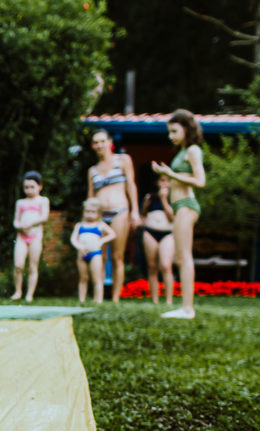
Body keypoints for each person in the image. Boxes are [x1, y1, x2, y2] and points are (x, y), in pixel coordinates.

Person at [152, 109, 206, 319]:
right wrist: (166, 173)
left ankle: (187, 308)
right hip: (178, 207)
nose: (170, 136)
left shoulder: (193, 150)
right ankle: (185, 307)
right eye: (169, 132)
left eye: (174, 131)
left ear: (186, 129)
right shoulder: (183, 151)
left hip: (186, 205)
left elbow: (200, 181)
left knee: (184, 257)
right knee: (180, 257)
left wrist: (170, 174)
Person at [87, 128, 141, 301]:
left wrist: (135, 211)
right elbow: (90, 197)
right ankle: (100, 295)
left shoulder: (123, 160)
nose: (99, 145)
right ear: (93, 146)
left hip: (120, 211)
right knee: (100, 256)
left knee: (117, 256)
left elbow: (131, 185)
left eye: (102, 141)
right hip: (99, 216)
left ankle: (116, 297)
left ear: (110, 143)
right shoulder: (92, 170)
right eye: (96, 142)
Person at [10, 171, 50, 302]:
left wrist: (31, 224)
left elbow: (44, 217)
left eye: (32, 187)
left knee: (33, 266)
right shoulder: (20, 203)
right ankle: (18, 291)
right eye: (26, 187)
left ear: (40, 186)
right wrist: (20, 226)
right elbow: (15, 221)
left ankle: (29, 295)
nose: (29, 190)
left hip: (35, 236)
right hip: (22, 236)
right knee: (18, 265)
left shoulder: (43, 201)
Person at [70, 198, 116, 304]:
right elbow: (73, 239)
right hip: (82, 254)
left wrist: (101, 241)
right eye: (87, 211)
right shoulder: (79, 225)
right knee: (83, 278)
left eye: (93, 212)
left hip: (95, 254)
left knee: (97, 278)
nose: (90, 214)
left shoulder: (100, 225)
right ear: (84, 212)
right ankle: (82, 300)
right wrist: (79, 246)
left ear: (98, 213)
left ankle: (98, 300)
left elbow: (112, 234)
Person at [140, 173, 176, 306]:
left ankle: (168, 300)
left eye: (168, 181)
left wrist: (164, 199)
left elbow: (172, 217)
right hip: (150, 232)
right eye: (162, 180)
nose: (165, 184)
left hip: (167, 233)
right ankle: (154, 300)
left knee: (166, 265)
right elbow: (143, 214)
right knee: (152, 266)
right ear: (157, 182)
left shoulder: (173, 199)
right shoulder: (150, 198)